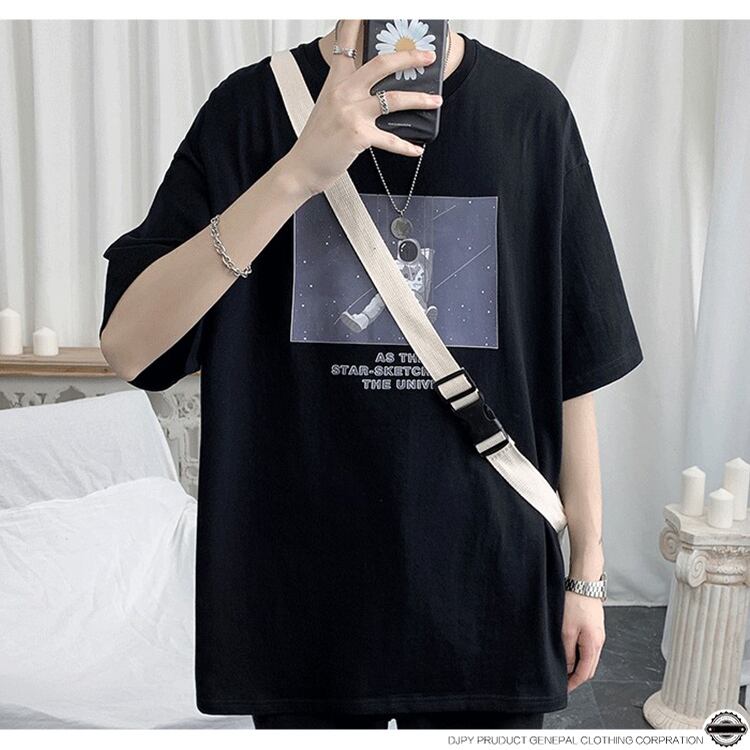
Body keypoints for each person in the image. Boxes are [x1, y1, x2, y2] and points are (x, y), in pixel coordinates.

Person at [99, 20, 643, 730]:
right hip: (301, 600)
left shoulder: (530, 114)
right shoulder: (250, 110)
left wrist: (587, 572)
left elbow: (573, 371)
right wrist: (297, 172)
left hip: (486, 592)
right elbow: (131, 349)